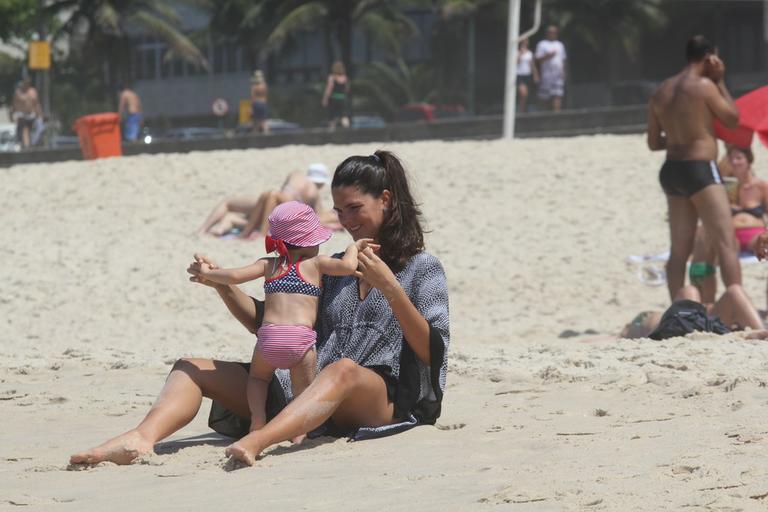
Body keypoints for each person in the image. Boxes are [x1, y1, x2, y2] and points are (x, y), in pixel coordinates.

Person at [70, 150, 449, 467]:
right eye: (339, 211)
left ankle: (260, 439)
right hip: (305, 391)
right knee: (190, 367)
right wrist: (222, 284)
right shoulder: (331, 267)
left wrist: (390, 287)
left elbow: (433, 351)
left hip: (379, 401)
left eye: (354, 208)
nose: (346, 222)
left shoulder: (422, 268)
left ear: (384, 199)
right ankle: (140, 437)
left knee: (343, 370)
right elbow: (270, 325)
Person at [195, 201, 375, 437]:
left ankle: (258, 421)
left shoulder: (269, 264)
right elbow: (348, 266)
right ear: (312, 242)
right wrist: (354, 248)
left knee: (258, 379)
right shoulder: (315, 264)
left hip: (268, 337)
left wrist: (208, 273)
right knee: (304, 392)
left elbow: (235, 276)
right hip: (299, 339)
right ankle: (299, 431)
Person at [647, 35, 741, 301]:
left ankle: (678, 311)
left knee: (679, 250)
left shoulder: (661, 90)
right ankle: (736, 306)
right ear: (711, 58)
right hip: (700, 169)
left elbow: (654, 143)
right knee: (726, 243)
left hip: (671, 170)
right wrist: (720, 80)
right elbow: (733, 119)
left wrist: (680, 137)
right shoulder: (704, 86)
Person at [689, 146, 767, 303]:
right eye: (731, 159)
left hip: (754, 232)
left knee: (760, 246)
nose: (735, 162)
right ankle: (711, 298)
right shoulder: (726, 187)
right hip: (731, 232)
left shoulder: (761, 186)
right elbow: (715, 170)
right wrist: (729, 147)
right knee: (717, 251)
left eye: (739, 158)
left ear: (748, 161)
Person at [198, 163, 339, 237]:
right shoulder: (314, 192)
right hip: (280, 207)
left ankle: (203, 229)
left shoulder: (296, 174)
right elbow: (315, 216)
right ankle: (227, 225)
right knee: (259, 221)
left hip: (271, 200)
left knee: (229, 203)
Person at [535, 25, 567, 112]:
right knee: (544, 97)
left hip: (557, 74)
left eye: (554, 32)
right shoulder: (542, 44)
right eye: (550, 32)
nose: (552, 34)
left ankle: (557, 115)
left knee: (557, 95)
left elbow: (563, 60)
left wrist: (564, 72)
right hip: (546, 75)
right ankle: (542, 114)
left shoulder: (560, 45)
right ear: (547, 33)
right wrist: (547, 56)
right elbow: (537, 60)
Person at [10, 79, 42, 149]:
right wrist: (12, 114)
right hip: (22, 115)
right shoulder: (18, 92)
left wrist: (39, 114)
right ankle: (25, 145)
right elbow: (14, 104)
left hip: (31, 115)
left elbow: (36, 103)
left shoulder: (33, 91)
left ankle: (32, 144)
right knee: (24, 129)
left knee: (37, 129)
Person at [322, 61, 350, 130]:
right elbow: (346, 89)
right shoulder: (345, 78)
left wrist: (325, 99)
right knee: (344, 116)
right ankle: (347, 130)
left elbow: (329, 89)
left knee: (332, 115)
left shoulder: (332, 77)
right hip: (343, 98)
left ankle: (332, 131)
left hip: (334, 98)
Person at [517, 38, 539, 113]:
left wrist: (535, 75)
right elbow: (516, 62)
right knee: (523, 94)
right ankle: (521, 111)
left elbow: (532, 65)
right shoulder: (516, 52)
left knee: (527, 95)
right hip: (519, 75)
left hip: (528, 75)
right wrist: (520, 53)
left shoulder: (529, 53)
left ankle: (525, 110)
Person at [250, 70, 269, 134]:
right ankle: (267, 136)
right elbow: (266, 95)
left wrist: (251, 108)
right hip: (263, 103)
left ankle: (254, 138)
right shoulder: (264, 85)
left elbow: (253, 97)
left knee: (255, 122)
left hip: (256, 103)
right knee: (263, 121)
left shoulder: (254, 86)